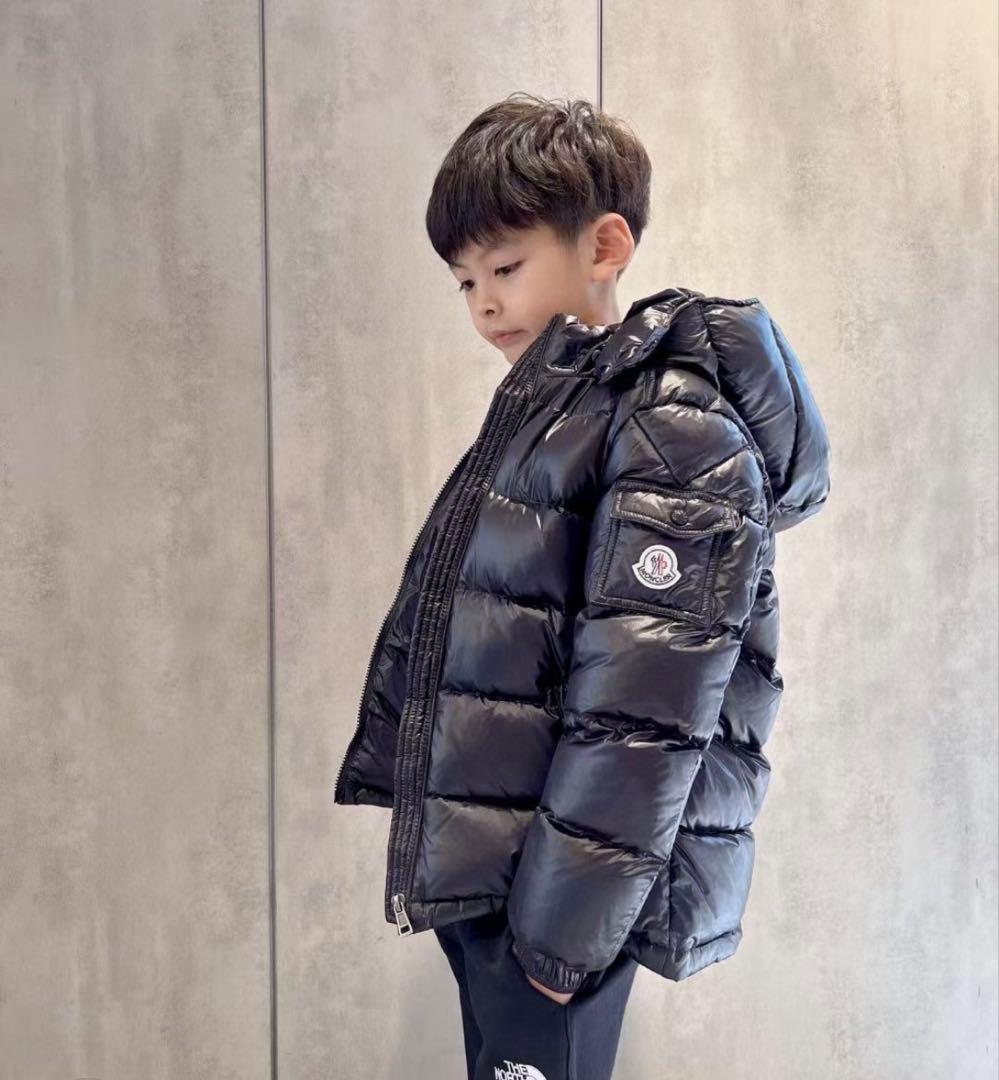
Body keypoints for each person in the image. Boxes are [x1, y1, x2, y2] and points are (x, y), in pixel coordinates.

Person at [333, 92, 832, 1080]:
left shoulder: (669, 434)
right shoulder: (561, 411)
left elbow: (646, 714)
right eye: (464, 281)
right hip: (512, 877)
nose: (483, 305)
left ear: (604, 245)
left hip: (555, 904)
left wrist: (558, 947)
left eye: (505, 268)